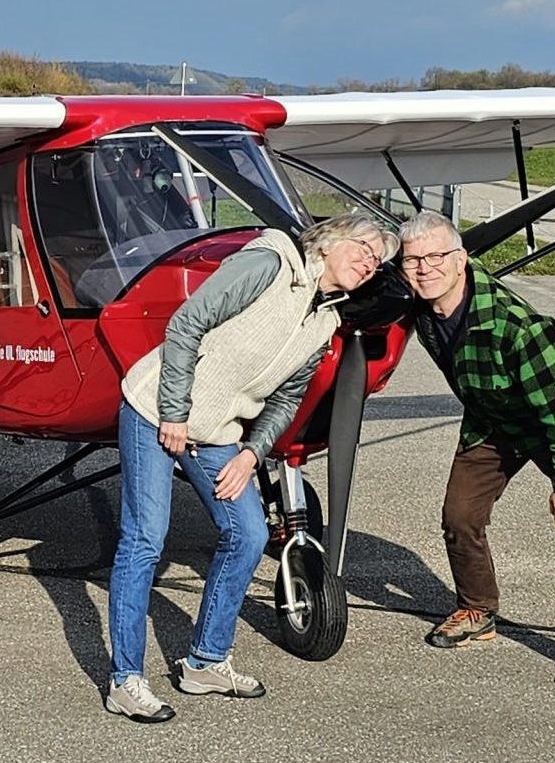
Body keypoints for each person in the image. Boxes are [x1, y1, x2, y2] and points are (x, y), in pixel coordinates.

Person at [104, 211, 395, 723]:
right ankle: (125, 680)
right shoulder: (270, 262)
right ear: (328, 244)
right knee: (146, 536)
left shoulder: (324, 320)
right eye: (364, 249)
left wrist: (250, 454)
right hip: (156, 408)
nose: (370, 263)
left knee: (250, 534)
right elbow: (188, 322)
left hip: (219, 434)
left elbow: (285, 400)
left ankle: (205, 662)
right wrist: (174, 411)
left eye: (378, 261)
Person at [396, 211, 555, 691]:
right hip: (493, 421)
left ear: (462, 260)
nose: (424, 267)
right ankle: (477, 609)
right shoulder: (419, 304)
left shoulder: (519, 328)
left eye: (436, 256)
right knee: (460, 516)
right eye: (412, 259)